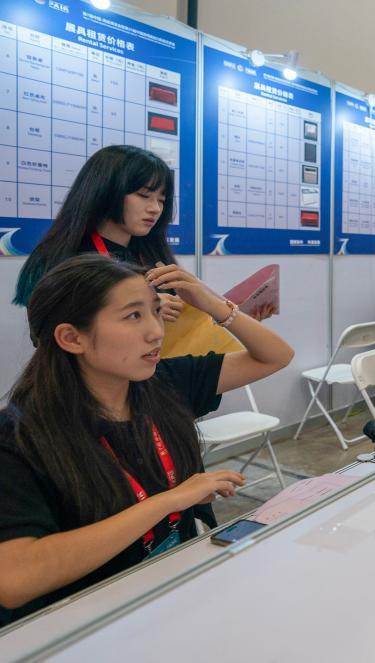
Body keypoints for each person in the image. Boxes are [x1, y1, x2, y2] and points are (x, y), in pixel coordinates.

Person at [0, 255, 294, 625]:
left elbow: (275, 356)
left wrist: (211, 303)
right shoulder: (19, 436)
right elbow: (16, 579)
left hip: (173, 593)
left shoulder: (163, 381)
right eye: (133, 316)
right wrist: (170, 500)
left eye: (156, 311)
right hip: (89, 625)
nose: (156, 331)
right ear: (72, 338)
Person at [13, 145, 184, 323]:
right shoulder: (60, 259)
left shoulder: (152, 256)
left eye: (161, 200)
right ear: (106, 190)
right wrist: (142, 309)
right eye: (143, 195)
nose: (155, 208)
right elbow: (46, 330)